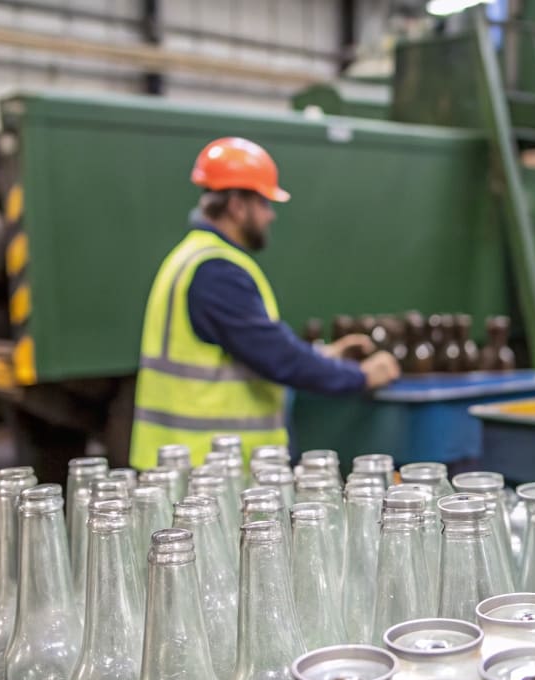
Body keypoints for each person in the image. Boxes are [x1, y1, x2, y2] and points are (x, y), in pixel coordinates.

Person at [130, 137, 400, 468]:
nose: (270, 216)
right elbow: (276, 357)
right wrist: (360, 376)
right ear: (237, 206)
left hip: (190, 466)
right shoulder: (217, 271)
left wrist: (325, 354)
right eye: (264, 203)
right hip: (207, 470)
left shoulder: (193, 257)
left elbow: (247, 349)